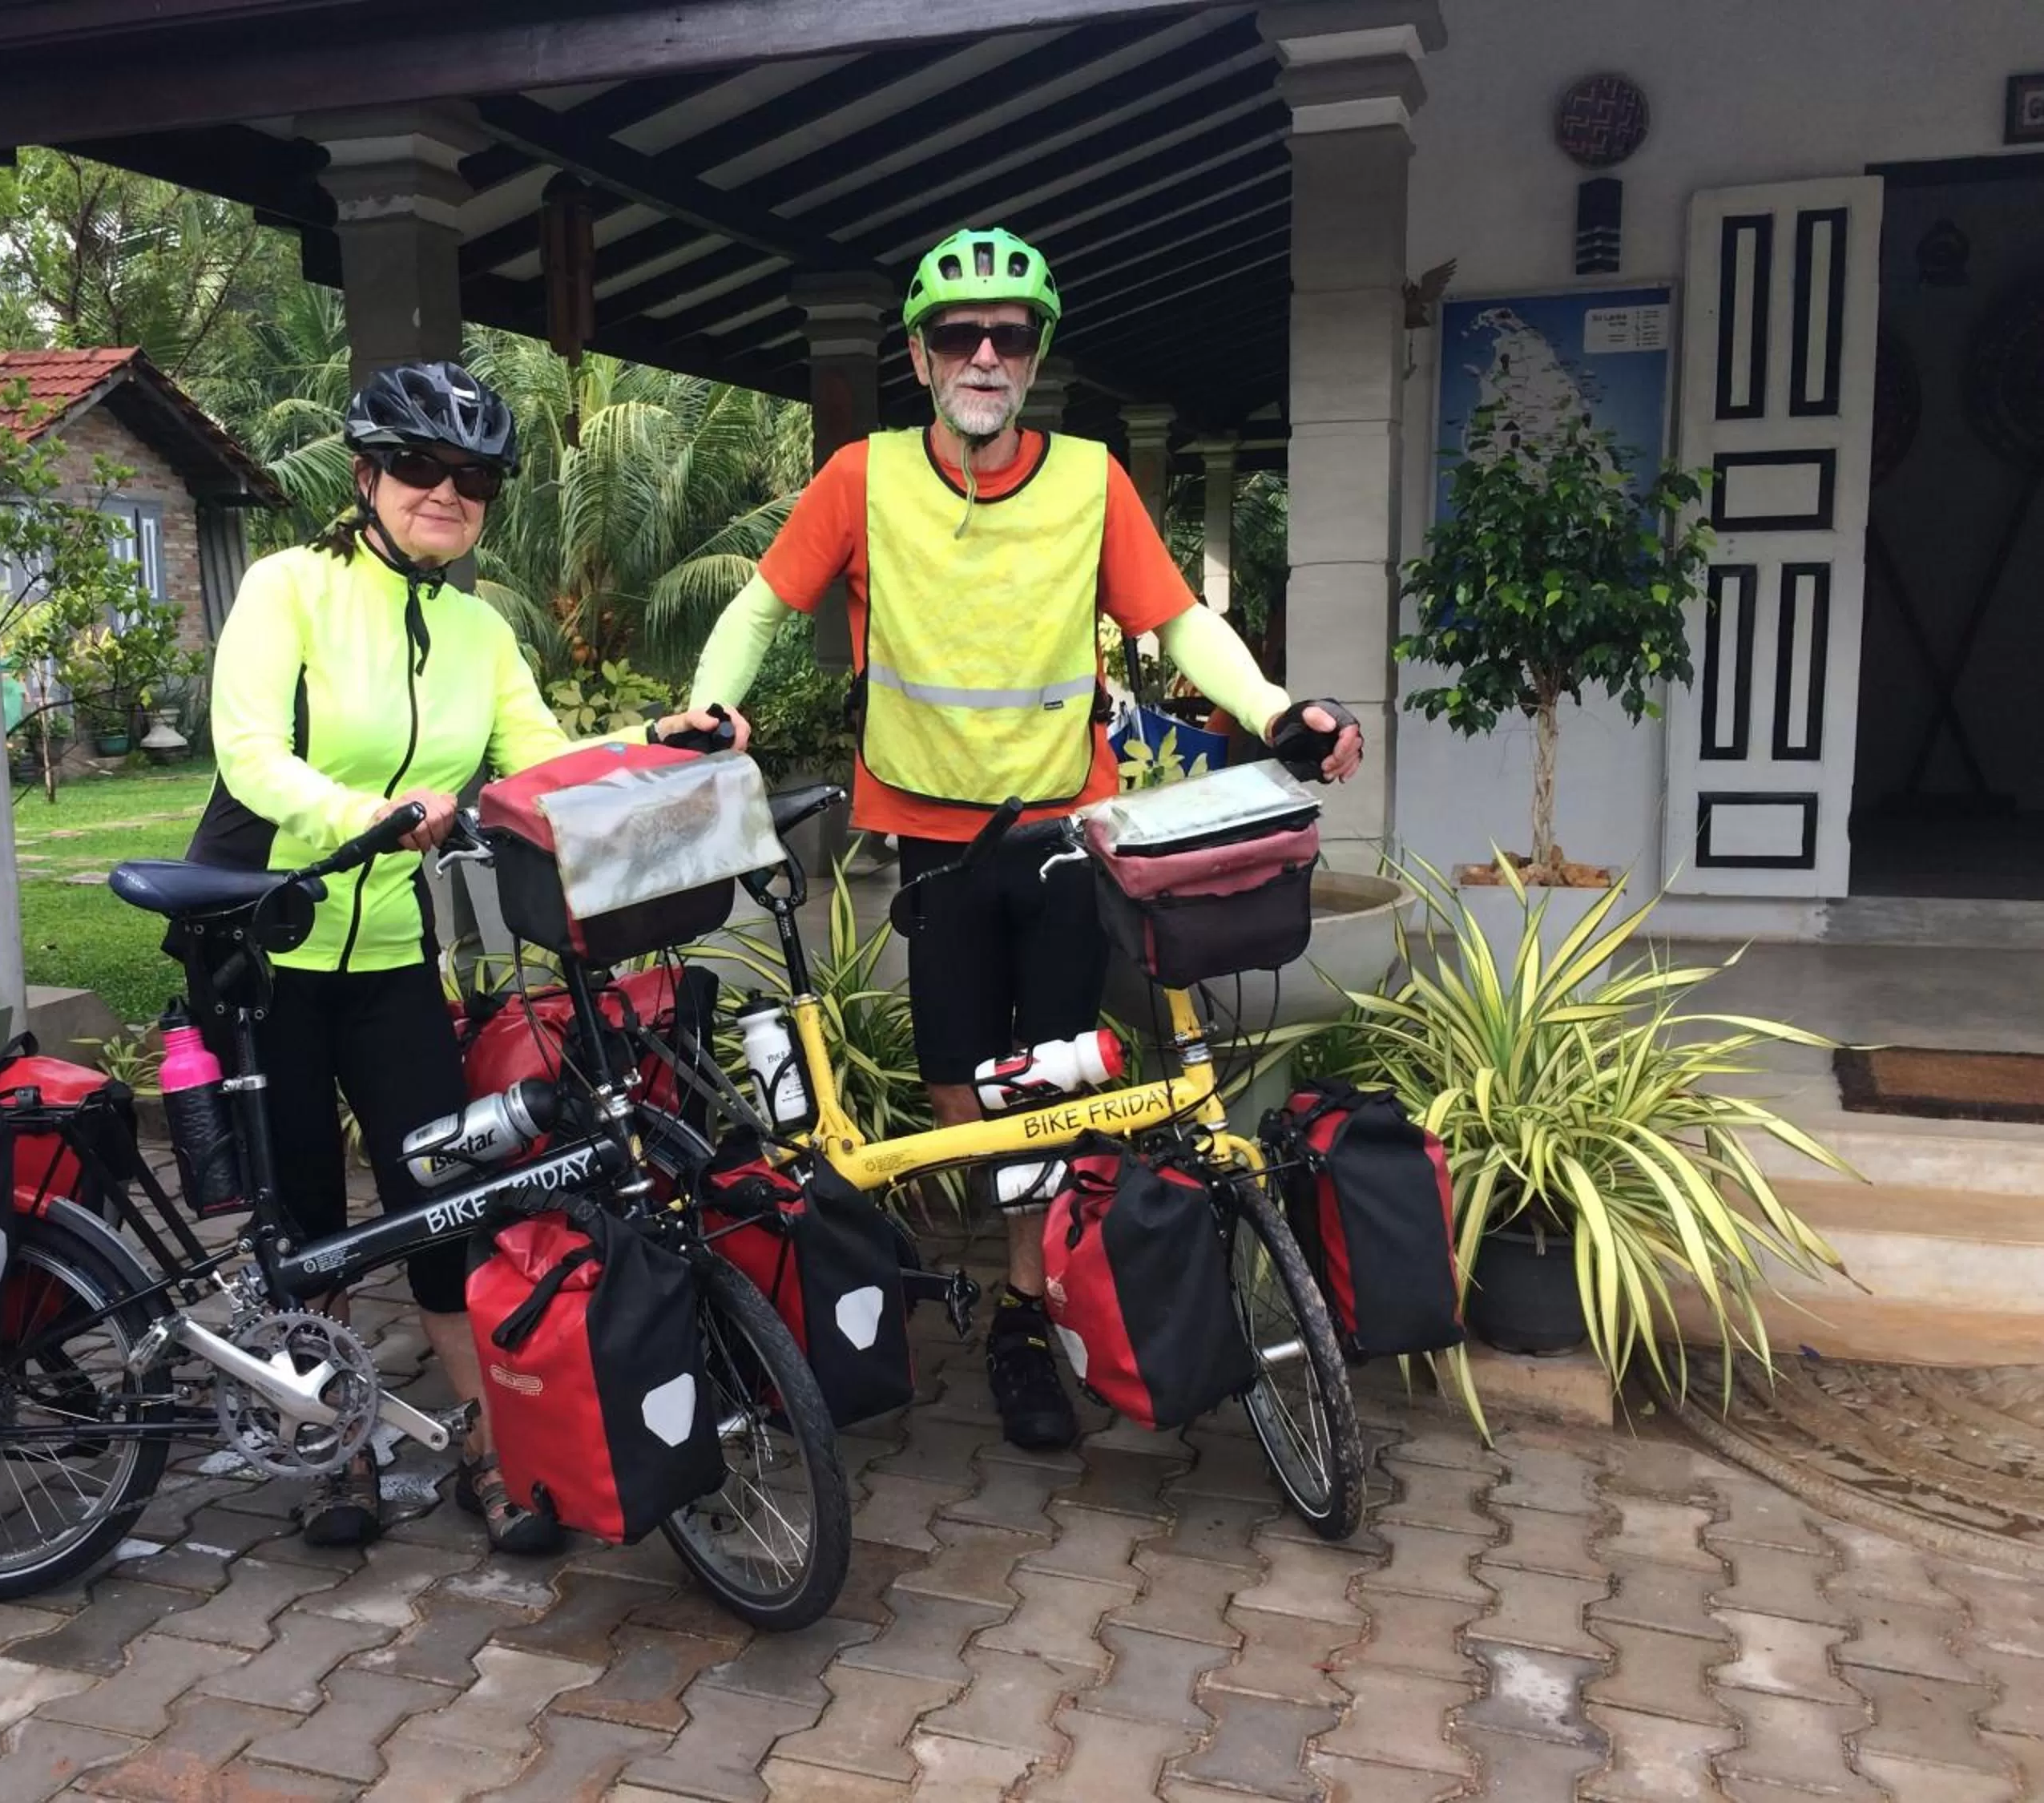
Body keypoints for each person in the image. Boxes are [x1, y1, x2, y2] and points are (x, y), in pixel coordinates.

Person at [683, 228, 1362, 1451]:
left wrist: (1273, 710)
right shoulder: (864, 478)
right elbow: (759, 605)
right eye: (960, 334)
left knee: (1058, 1080)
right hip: (929, 837)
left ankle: (1024, 1306)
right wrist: (707, 702)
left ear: (1036, 355)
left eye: (1010, 335)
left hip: (1060, 831)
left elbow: (1182, 620)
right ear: (921, 355)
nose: (985, 354)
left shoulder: (1091, 480)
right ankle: (1024, 1276)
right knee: (958, 1082)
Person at [183, 361, 740, 1548]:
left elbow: (536, 760)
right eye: (423, 467)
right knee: (307, 1211)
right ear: (368, 474)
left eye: (474, 476)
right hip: (261, 946)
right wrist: (368, 816)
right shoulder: (289, 589)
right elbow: (246, 756)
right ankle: (332, 1442)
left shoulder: (478, 627)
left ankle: (489, 1446)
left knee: (438, 1197)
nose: (448, 492)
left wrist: (660, 739)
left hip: (391, 951)